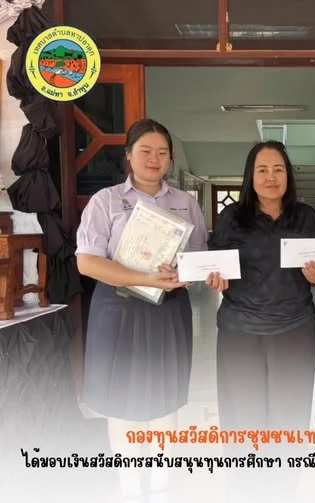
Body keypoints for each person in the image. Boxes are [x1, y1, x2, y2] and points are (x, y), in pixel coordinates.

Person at [75, 119, 208, 503]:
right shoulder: (106, 201)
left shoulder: (185, 203)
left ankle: (163, 484)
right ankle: (131, 485)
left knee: (167, 395)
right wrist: (145, 278)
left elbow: (198, 257)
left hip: (168, 309)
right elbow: (87, 262)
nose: (154, 159)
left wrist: (188, 273)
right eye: (145, 151)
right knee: (119, 400)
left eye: (162, 152)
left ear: (171, 158)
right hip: (117, 308)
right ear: (129, 155)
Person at [205, 140, 315, 503]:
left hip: (294, 329)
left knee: (290, 417)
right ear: (250, 176)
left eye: (278, 169)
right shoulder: (232, 217)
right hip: (239, 332)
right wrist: (214, 276)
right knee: (242, 418)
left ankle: (284, 491)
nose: (271, 177)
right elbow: (214, 262)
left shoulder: (307, 217)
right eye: (262, 170)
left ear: (288, 175)